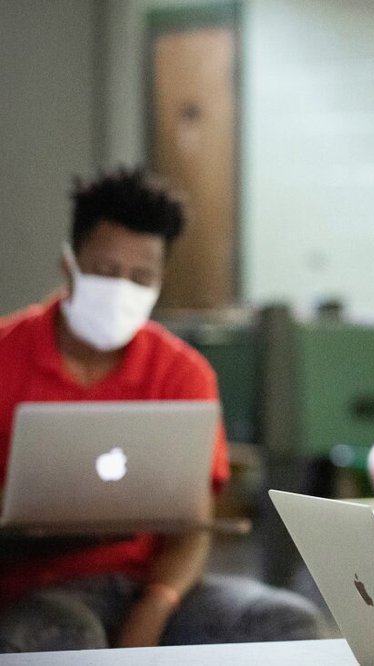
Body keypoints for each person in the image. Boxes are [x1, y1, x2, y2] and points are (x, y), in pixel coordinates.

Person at [0, 168, 328, 652]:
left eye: (140, 277)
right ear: (69, 263)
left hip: (156, 588)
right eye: (106, 271)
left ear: (159, 282)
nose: (121, 289)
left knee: (286, 622)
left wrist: (154, 607)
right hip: (37, 591)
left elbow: (193, 524)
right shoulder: (8, 353)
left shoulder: (183, 373)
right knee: (61, 635)